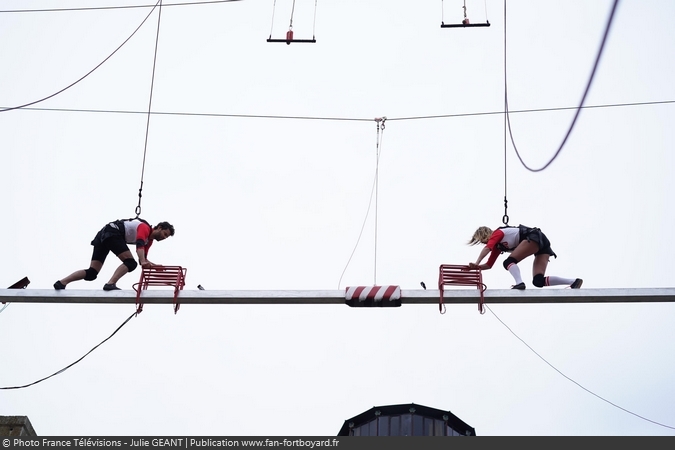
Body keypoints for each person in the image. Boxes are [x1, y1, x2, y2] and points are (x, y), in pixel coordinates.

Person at [54, 218, 175, 291]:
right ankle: (110, 284)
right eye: (164, 234)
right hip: (112, 232)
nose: (164, 238)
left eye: (166, 237)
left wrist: (154, 266)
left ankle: (61, 283)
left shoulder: (149, 242)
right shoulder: (145, 228)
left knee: (92, 273)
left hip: (105, 234)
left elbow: (142, 259)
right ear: (159, 227)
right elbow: (139, 248)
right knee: (130, 263)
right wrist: (143, 261)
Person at [467, 225, 582, 290]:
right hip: (542, 244)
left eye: (482, 240)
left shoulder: (497, 233)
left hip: (533, 237)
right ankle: (573, 282)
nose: (483, 243)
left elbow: (488, 248)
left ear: (485, 234)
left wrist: (477, 262)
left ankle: (519, 283)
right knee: (538, 281)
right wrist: (476, 268)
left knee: (508, 262)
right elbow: (489, 265)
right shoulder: (498, 246)